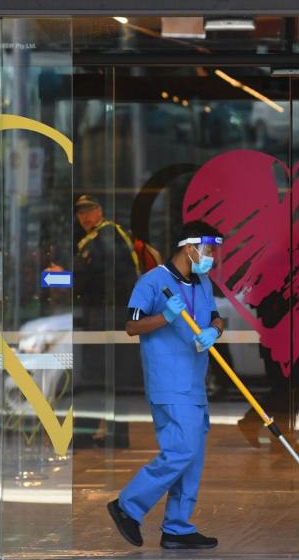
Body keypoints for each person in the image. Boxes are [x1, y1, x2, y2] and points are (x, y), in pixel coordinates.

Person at [107, 221, 225, 550]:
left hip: (195, 381)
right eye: (209, 249)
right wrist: (166, 318)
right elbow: (132, 326)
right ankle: (127, 505)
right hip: (168, 382)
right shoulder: (152, 282)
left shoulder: (203, 282)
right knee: (181, 451)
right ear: (190, 247)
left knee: (193, 456)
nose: (211, 256)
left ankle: (177, 527)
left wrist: (214, 332)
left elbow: (215, 317)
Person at [72, 194, 141, 448]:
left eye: (89, 210)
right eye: (80, 213)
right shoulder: (100, 237)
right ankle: (109, 435)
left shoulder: (106, 236)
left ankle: (92, 435)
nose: (84, 216)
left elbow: (89, 276)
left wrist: (55, 278)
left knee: (99, 377)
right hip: (106, 316)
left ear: (100, 210)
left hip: (108, 316)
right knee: (107, 378)